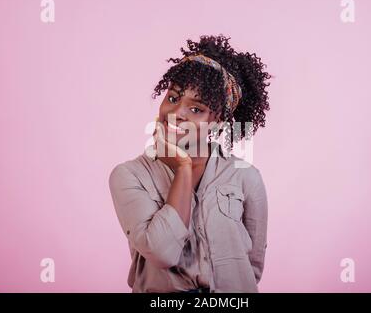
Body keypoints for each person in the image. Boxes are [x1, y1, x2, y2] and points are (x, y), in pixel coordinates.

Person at [109, 34, 271, 293]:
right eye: (173, 98)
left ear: (217, 122)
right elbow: (162, 252)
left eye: (196, 109)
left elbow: (251, 267)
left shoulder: (246, 177)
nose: (176, 114)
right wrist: (183, 168)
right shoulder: (130, 175)